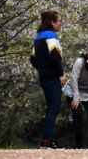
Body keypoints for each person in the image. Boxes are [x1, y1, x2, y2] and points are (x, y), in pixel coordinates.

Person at [30, 10, 67, 149]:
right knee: (54, 107)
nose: (60, 24)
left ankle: (48, 139)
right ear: (52, 22)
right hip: (53, 77)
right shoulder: (51, 37)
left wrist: (42, 68)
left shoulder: (38, 38)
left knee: (50, 107)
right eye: (59, 21)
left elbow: (32, 59)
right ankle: (47, 140)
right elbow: (55, 57)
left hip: (43, 76)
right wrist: (61, 74)